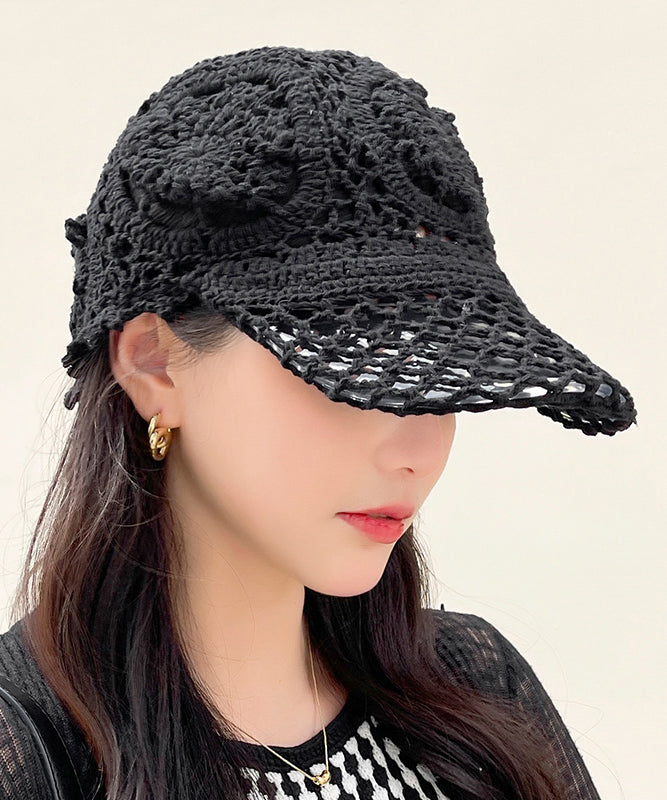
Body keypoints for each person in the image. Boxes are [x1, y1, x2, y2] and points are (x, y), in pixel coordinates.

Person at [0, 45, 636, 800]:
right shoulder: (28, 751)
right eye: (351, 368)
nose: (417, 448)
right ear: (154, 365)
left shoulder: (477, 689)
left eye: (438, 378)